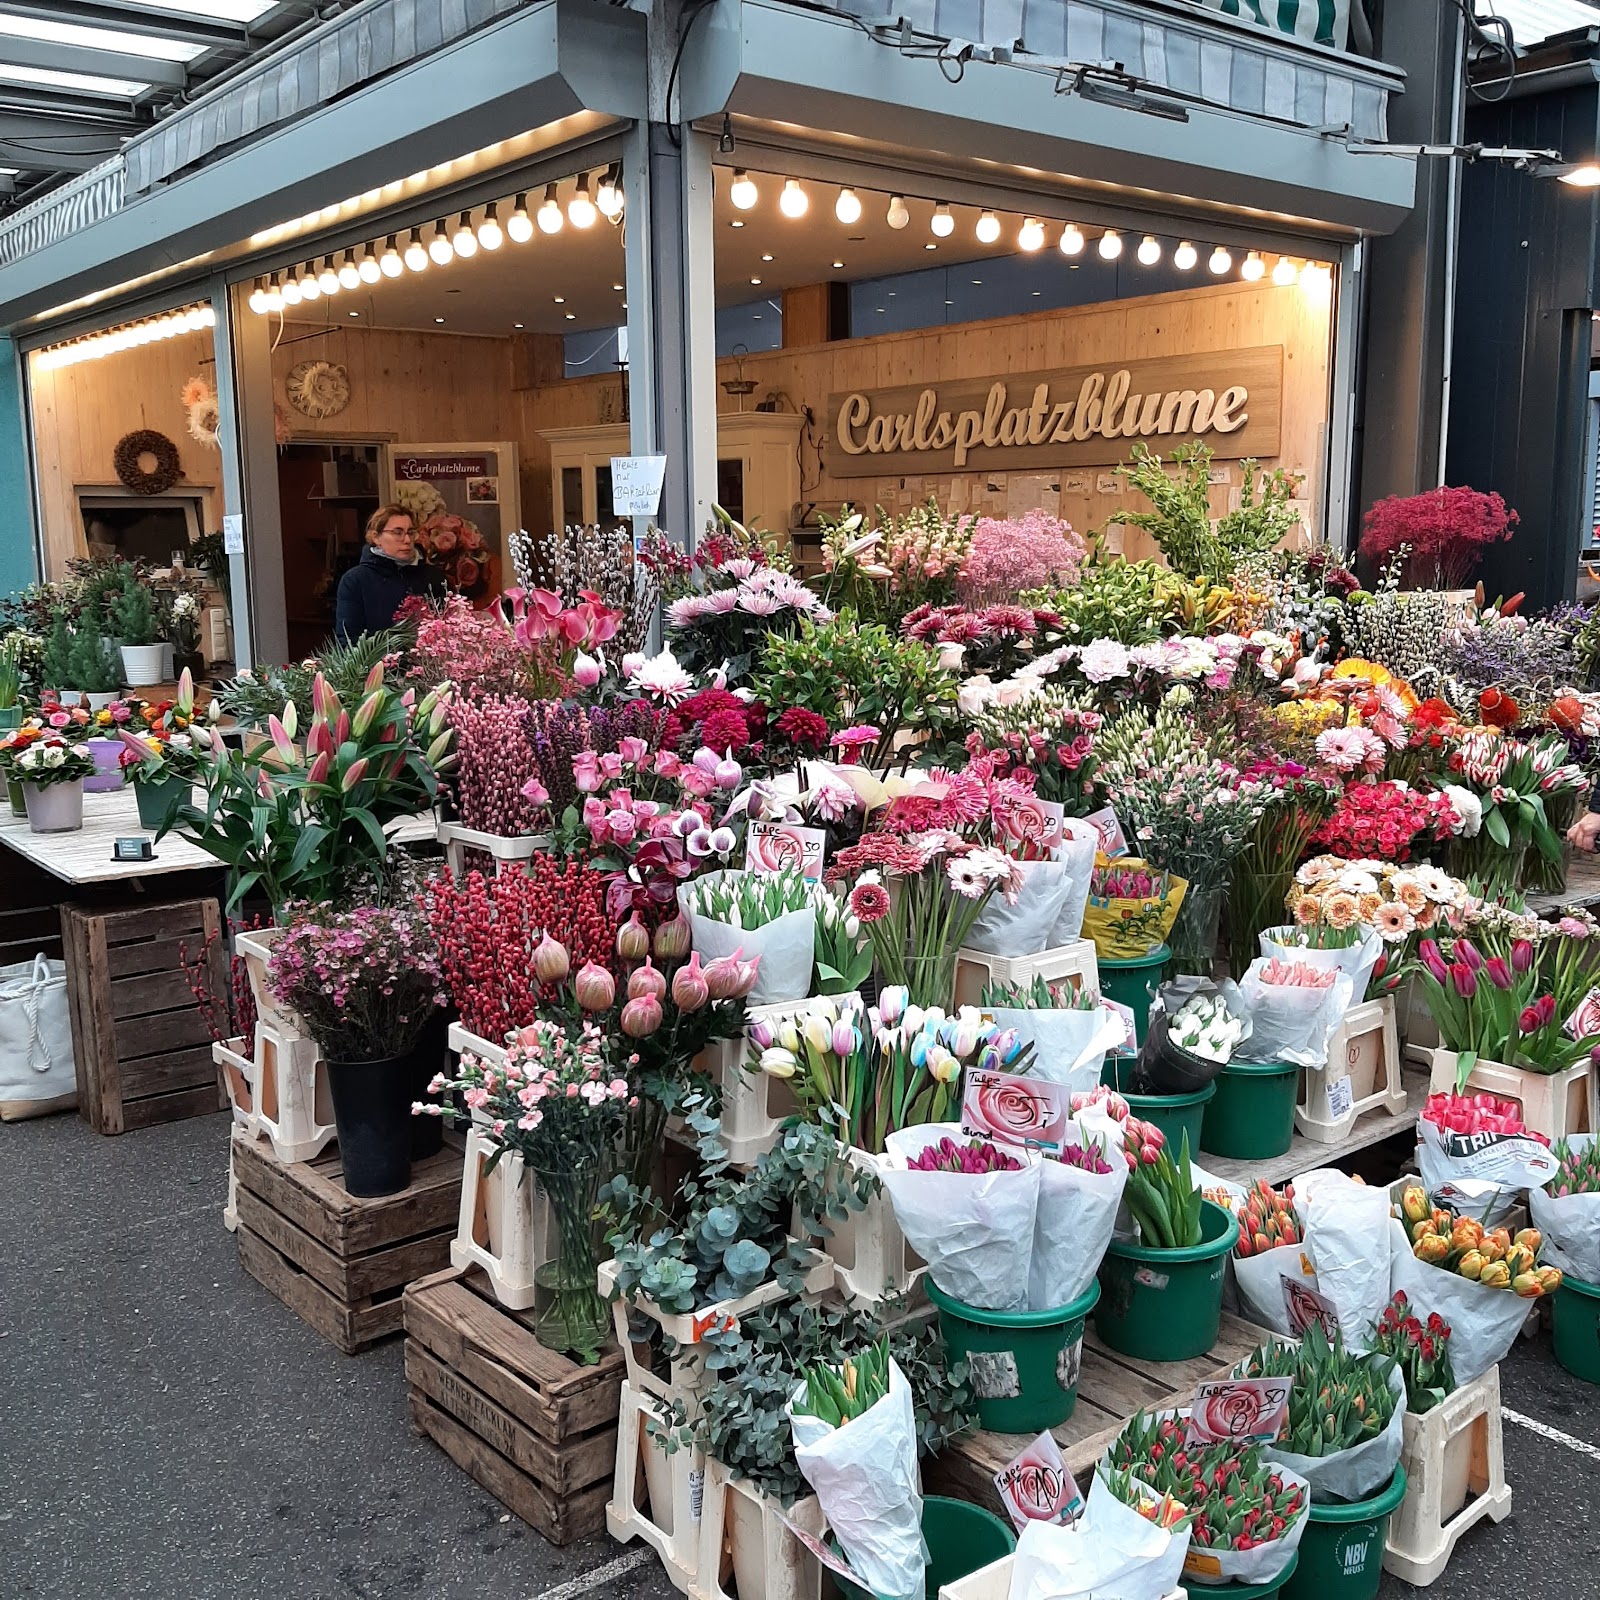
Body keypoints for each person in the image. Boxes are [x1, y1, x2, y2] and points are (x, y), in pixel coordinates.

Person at [334, 504, 446, 640]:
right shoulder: (355, 580)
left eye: (410, 532)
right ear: (376, 537)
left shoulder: (433, 576)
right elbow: (347, 639)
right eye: (397, 533)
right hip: (375, 660)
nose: (407, 540)